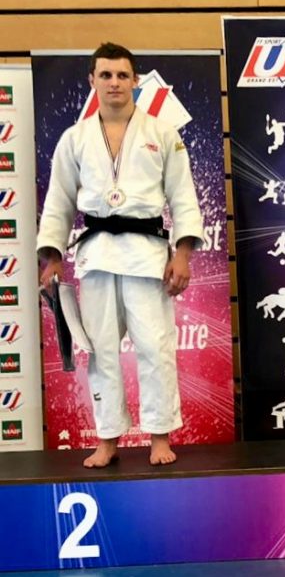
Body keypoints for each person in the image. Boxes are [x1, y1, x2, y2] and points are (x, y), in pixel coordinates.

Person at [38, 43, 203, 468]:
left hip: (148, 255)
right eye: (106, 75)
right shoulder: (75, 138)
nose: (114, 83)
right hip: (96, 255)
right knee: (101, 351)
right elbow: (58, 202)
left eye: (122, 75)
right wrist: (52, 257)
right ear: (92, 80)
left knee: (155, 348)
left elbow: (183, 197)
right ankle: (108, 439)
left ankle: (159, 436)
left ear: (135, 81)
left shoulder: (162, 134)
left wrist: (183, 253)